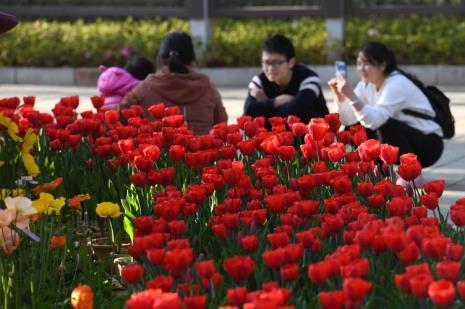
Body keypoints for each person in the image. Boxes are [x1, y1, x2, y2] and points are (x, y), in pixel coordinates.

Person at [328, 41, 443, 168]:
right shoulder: (365, 85)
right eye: (359, 64)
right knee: (353, 130)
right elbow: (349, 120)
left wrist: (351, 96)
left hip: (428, 145)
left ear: (382, 65)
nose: (361, 69)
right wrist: (340, 98)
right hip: (406, 138)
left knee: (384, 123)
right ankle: (368, 171)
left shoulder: (397, 83)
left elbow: (376, 121)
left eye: (366, 63)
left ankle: (408, 171)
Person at [122, 31, 227, 135]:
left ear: (161, 60)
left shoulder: (145, 88)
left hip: (157, 151)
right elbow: (222, 125)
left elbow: (120, 116)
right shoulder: (208, 88)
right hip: (205, 150)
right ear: (191, 60)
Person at [243, 34, 328, 127]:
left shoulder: (309, 78)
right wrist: (274, 101)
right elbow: (248, 111)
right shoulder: (259, 80)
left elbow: (294, 114)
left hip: (312, 137)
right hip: (273, 138)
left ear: (291, 62)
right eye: (267, 62)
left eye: (277, 63)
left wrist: (263, 105)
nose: (270, 68)